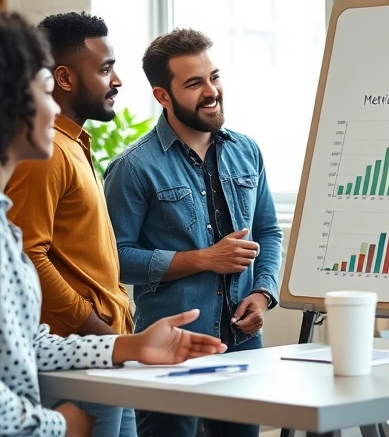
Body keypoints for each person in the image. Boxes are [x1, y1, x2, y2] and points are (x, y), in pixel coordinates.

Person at [0, 8, 227, 437]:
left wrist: (128, 345)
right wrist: (53, 426)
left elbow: (16, 344)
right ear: (5, 105)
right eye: (44, 91)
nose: (52, 109)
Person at [103, 28, 282, 437]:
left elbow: (268, 231)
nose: (211, 90)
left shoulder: (247, 150)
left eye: (214, 76)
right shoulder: (132, 168)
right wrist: (203, 259)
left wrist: (262, 292)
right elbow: (114, 260)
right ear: (163, 96)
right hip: (169, 350)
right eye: (194, 83)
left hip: (242, 347)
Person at [5, 11, 137, 436]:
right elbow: (27, 254)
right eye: (105, 69)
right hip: (80, 354)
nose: (116, 80)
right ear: (63, 77)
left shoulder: (73, 143)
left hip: (105, 349)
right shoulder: (46, 154)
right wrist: (94, 329)